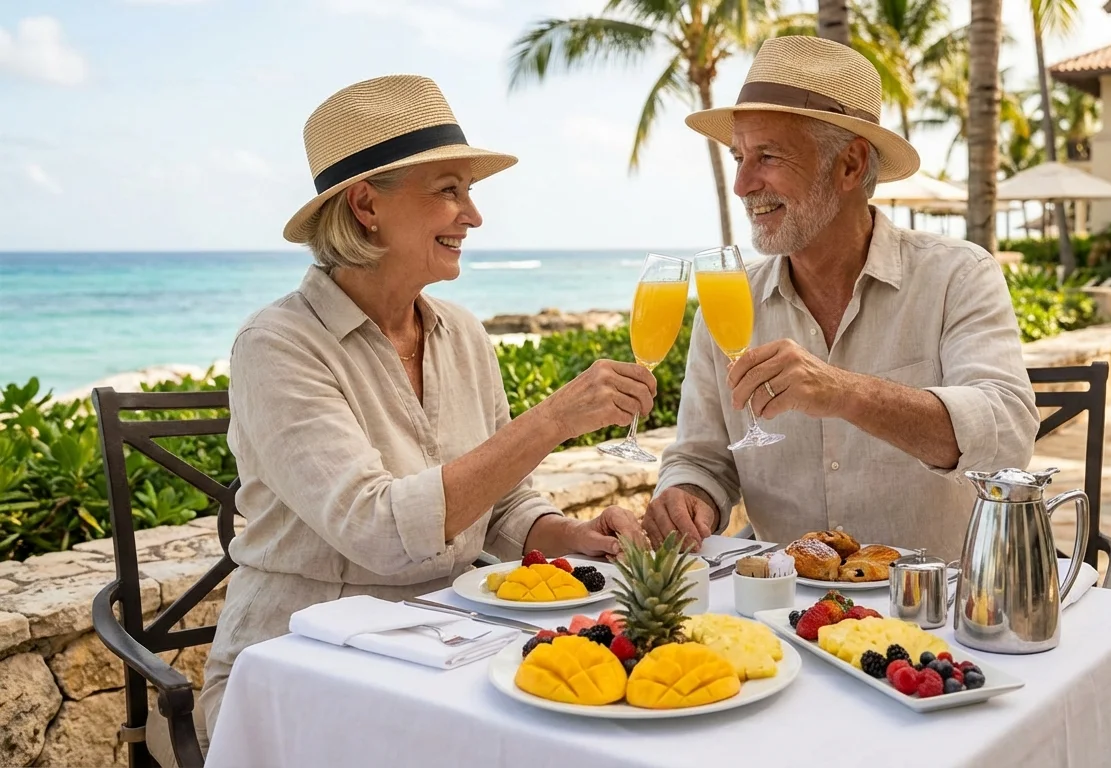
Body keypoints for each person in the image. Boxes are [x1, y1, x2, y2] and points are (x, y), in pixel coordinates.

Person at [188, 75, 654, 751]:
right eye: (448, 190)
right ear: (366, 205)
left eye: (469, 193)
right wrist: (551, 420)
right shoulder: (277, 347)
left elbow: (500, 507)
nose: (473, 215)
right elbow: (378, 531)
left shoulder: (460, 333)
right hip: (303, 664)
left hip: (450, 645)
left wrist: (568, 534)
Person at [635, 37, 1039, 562]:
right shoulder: (729, 302)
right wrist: (688, 498)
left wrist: (843, 392)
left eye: (768, 156)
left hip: (936, 609)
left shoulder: (957, 275)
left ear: (849, 165)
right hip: (785, 617)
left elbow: (1007, 432)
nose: (741, 184)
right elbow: (702, 459)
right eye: (739, 157)